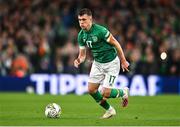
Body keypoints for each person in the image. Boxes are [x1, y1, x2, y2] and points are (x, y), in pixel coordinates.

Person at [74, 8, 130, 119]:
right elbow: (83, 55)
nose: (81, 23)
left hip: (111, 63)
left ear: (90, 19)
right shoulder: (81, 36)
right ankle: (110, 110)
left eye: (84, 20)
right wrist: (78, 60)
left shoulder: (100, 31)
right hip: (97, 64)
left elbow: (116, 44)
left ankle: (123, 92)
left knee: (106, 93)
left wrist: (123, 60)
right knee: (91, 90)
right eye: (79, 20)